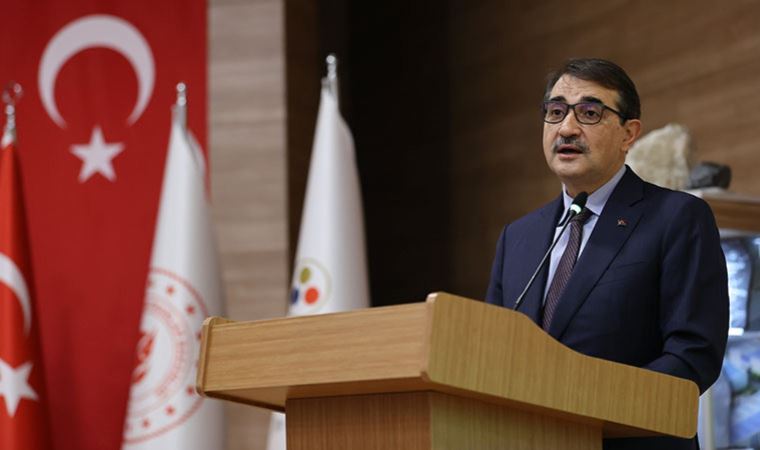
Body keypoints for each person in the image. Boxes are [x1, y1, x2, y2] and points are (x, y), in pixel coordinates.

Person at [485, 58, 728, 450]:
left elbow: (693, 354)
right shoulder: (518, 237)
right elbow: (491, 356)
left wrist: (587, 408)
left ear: (629, 134)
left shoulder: (677, 217)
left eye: (589, 113)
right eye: (556, 112)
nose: (566, 128)